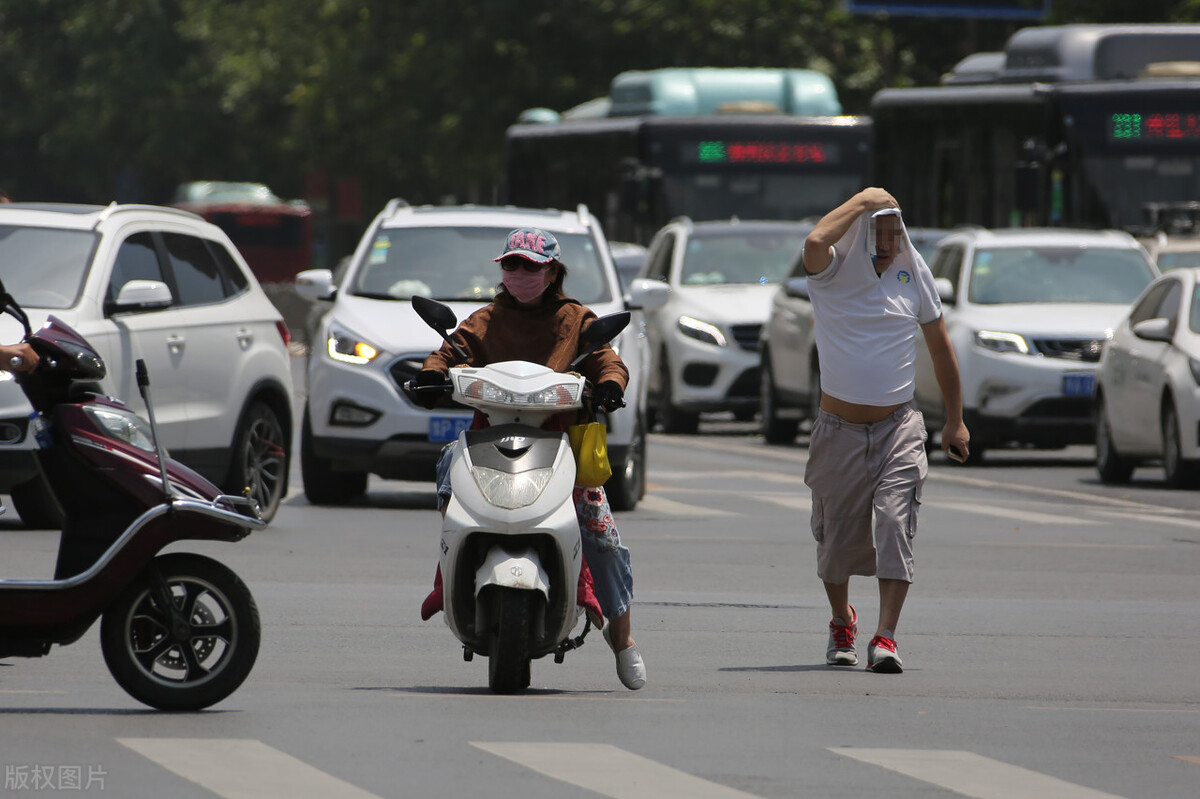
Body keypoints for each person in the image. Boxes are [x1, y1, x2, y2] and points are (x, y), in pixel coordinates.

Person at [413, 227, 646, 690]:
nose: (520, 274)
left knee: (602, 536)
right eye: (512, 265)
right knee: (446, 473)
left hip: (562, 446)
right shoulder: (485, 320)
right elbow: (447, 352)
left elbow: (606, 359)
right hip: (487, 443)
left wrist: (611, 385)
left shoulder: (576, 319)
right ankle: (452, 579)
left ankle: (624, 642)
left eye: (531, 267)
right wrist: (432, 376)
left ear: (552, 272)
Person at [801, 187, 969, 674]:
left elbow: (940, 350)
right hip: (839, 430)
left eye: (896, 230)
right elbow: (814, 241)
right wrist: (865, 200)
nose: (888, 241)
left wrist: (955, 419)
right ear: (860, 231)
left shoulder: (913, 275)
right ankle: (841, 620)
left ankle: (886, 636)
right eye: (879, 230)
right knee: (834, 540)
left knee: (896, 525)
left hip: (899, 427)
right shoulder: (831, 273)